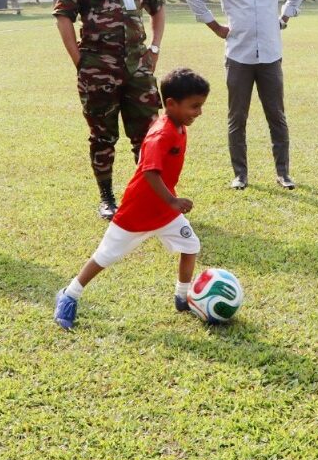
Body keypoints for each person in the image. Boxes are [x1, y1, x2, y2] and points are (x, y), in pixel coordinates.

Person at [55, 68, 209, 330]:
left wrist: (169, 205)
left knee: (190, 246)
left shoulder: (179, 126)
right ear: (170, 104)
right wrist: (173, 201)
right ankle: (69, 294)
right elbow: (149, 171)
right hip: (136, 213)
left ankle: (182, 297)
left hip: (165, 213)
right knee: (104, 257)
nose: (199, 112)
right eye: (194, 106)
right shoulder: (161, 134)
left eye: (201, 106)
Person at [54, 0, 166, 219]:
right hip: (97, 69)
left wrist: (154, 48)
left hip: (138, 68)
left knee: (147, 135)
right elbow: (64, 15)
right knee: (103, 136)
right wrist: (79, 59)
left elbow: (157, 8)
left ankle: (148, 195)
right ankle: (107, 197)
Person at [186, 0, 304, 190]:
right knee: (237, 117)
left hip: (271, 57)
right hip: (239, 57)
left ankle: (283, 173)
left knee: (277, 116)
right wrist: (215, 27)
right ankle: (240, 175)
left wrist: (285, 16)